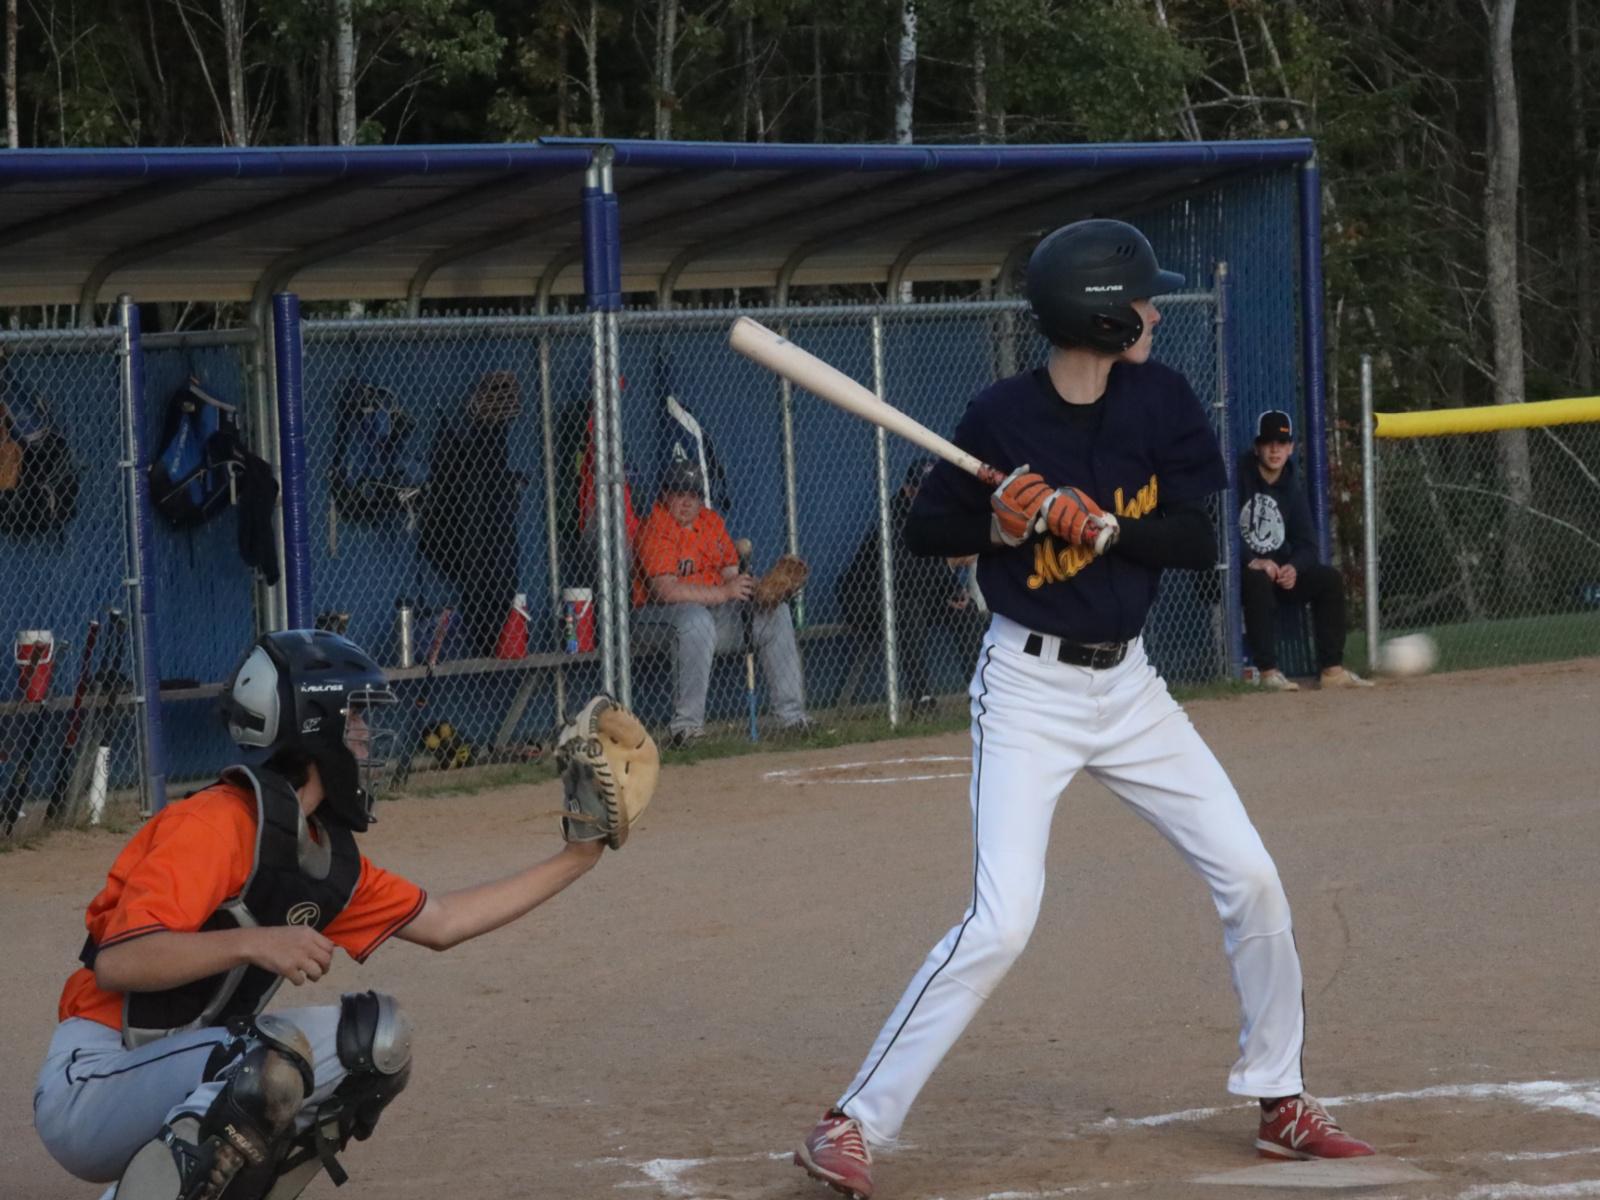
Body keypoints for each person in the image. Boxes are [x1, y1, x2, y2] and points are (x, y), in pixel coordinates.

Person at [793, 219, 1374, 1200]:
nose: (1154, 311)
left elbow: (1195, 534)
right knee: (1002, 920)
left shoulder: (1162, 399)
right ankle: (849, 1122)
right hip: (1028, 688)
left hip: (1130, 687)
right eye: (1142, 300)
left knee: (1253, 878)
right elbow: (930, 525)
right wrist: (999, 517)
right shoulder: (997, 416)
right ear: (1101, 315)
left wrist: (1107, 529)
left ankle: (1280, 1099)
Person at [32, 629, 619, 1200]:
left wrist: (578, 856)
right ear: (315, 731)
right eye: (356, 718)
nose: (367, 737)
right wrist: (254, 942)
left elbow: (444, 922)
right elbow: (120, 961)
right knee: (269, 1065)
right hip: (95, 1082)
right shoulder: (213, 823)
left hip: (185, 1071)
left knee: (377, 1043)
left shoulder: (313, 851)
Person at [632, 458, 810, 747]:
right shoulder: (656, 526)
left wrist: (755, 591)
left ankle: (791, 718)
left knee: (775, 614)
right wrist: (724, 593)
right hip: (655, 619)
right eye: (679, 493)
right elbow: (665, 591)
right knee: (694, 621)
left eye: (694, 494)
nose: (687, 502)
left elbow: (730, 576)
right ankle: (686, 728)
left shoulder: (711, 522)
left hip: (712, 617)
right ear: (665, 494)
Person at [836, 459, 985, 717]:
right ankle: (922, 699)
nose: (930, 496)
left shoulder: (939, 514)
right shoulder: (894, 518)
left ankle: (982, 693)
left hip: (915, 595)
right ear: (908, 490)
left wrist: (953, 591)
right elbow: (905, 574)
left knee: (966, 610)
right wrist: (948, 564)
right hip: (868, 599)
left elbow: (932, 569)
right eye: (923, 490)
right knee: (909, 609)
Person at [1238, 410, 1372, 691]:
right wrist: (1253, 560)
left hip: (1278, 575)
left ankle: (1332, 671)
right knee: (1257, 579)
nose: (1275, 449)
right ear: (1257, 447)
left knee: (1329, 580)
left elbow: (1308, 545)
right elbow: (1220, 533)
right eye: (1268, 442)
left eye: (1281, 443)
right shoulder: (1239, 479)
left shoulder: (1291, 488)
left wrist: (1294, 568)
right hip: (1240, 574)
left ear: (1291, 448)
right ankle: (1268, 673)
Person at [418, 370, 525, 657]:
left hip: (463, 545)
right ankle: (491, 425)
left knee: (484, 495)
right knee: (489, 497)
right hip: (470, 550)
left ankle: (489, 424)